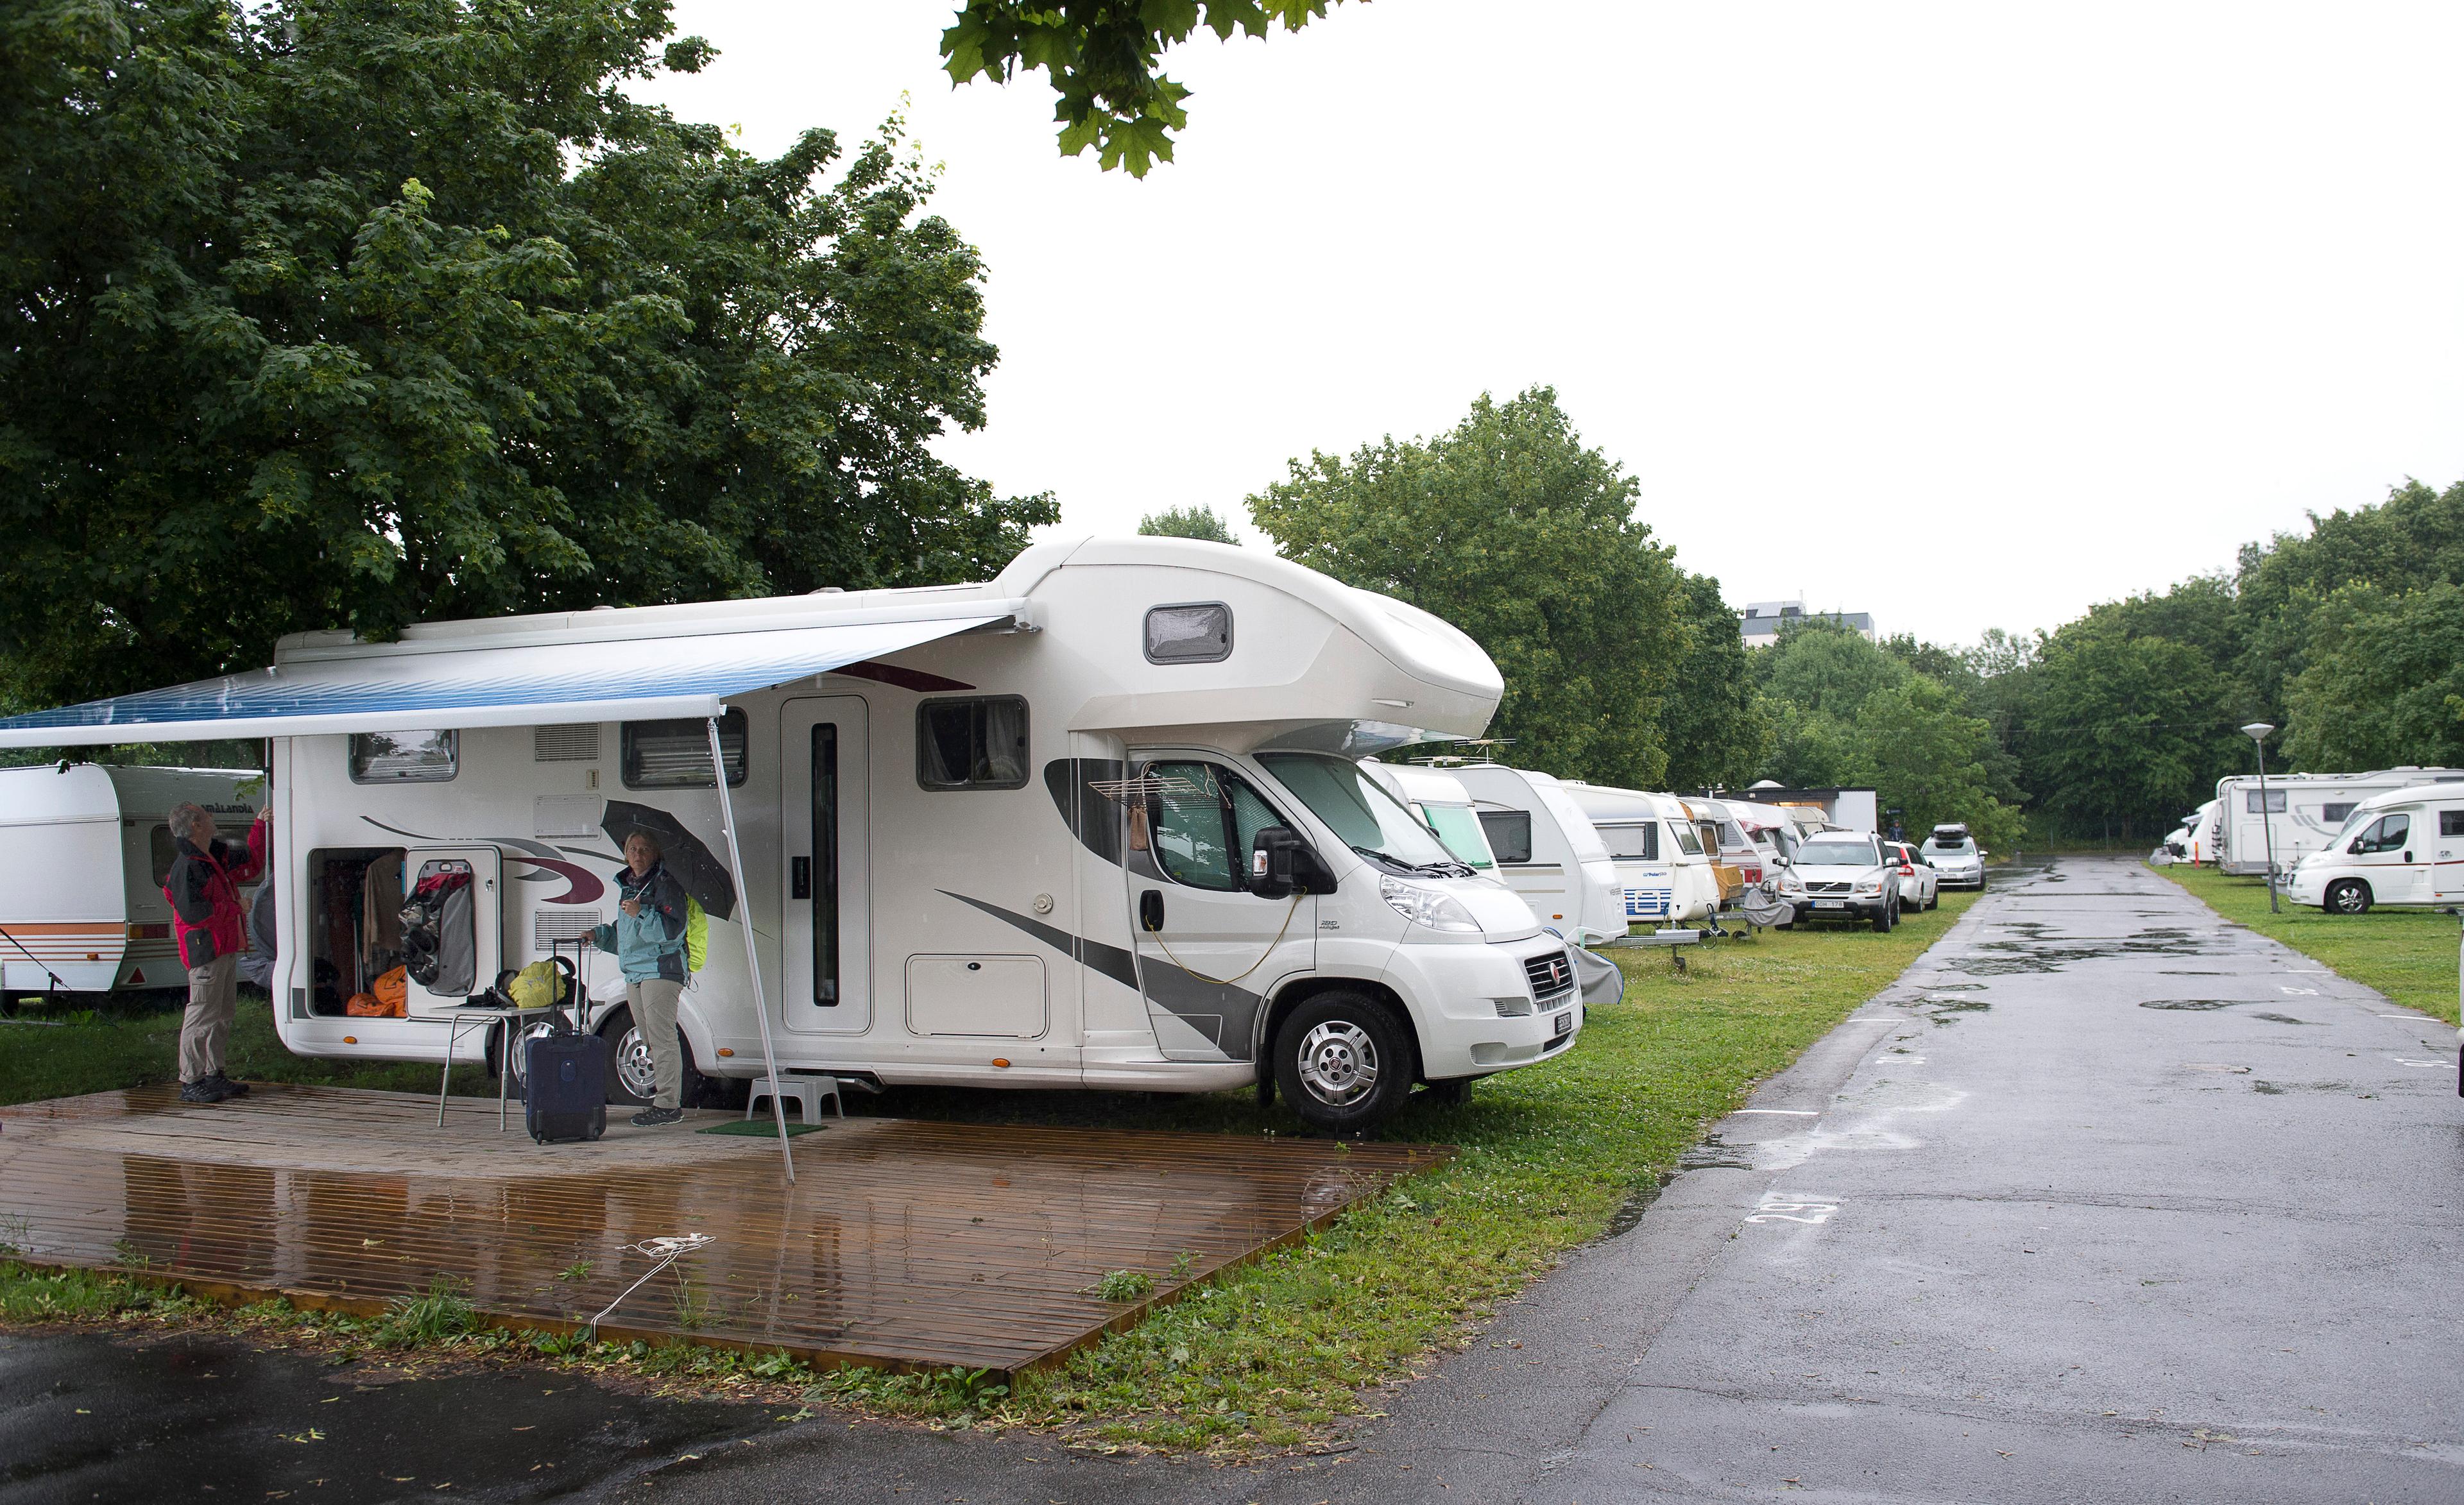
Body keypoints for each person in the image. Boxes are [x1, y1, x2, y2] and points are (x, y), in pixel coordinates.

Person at [164, 802, 270, 1104]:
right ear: (196, 825)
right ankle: (191, 1080)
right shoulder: (188, 865)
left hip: (223, 946)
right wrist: (237, 907)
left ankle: (213, 1074)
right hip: (205, 949)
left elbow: (252, 862)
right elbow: (194, 912)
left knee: (221, 1014)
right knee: (201, 1014)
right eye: (207, 816)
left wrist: (261, 826)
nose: (213, 819)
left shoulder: (212, 856)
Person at [592, 831, 691, 1127]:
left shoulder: (666, 884)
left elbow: (672, 933)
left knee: (662, 1038)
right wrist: (598, 936)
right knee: (649, 1039)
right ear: (625, 854)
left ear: (655, 853)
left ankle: (668, 1105)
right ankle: (665, 1102)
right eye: (632, 848)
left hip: (661, 970)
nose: (637, 853)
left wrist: (641, 913)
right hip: (635, 970)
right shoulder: (628, 886)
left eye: (644, 849)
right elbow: (627, 936)